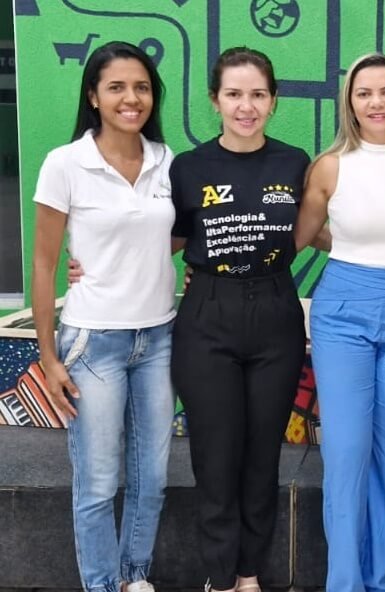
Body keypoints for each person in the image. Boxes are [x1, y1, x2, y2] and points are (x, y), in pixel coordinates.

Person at [292, 53, 385, 591]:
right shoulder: (330, 166)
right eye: (364, 93)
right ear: (350, 104)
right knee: (347, 452)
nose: (376, 102)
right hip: (342, 313)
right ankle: (344, 583)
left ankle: (384, 582)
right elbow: (299, 236)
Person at [31, 41, 175, 592]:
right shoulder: (65, 163)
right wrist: (48, 357)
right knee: (97, 483)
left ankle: (134, 577)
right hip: (94, 343)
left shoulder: (165, 160)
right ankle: (101, 584)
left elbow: (170, 234)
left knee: (152, 479)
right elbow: (44, 264)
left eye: (141, 87)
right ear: (93, 95)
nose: (130, 98)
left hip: (158, 338)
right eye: (116, 87)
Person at [168, 47, 310, 592]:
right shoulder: (189, 167)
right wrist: (91, 264)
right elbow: (164, 238)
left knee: (261, 455)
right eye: (233, 94)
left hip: (275, 312)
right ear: (215, 100)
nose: (245, 106)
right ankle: (219, 576)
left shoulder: (295, 163)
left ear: (273, 101)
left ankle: (249, 574)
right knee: (215, 454)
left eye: (257, 95)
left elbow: (318, 227)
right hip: (209, 313)